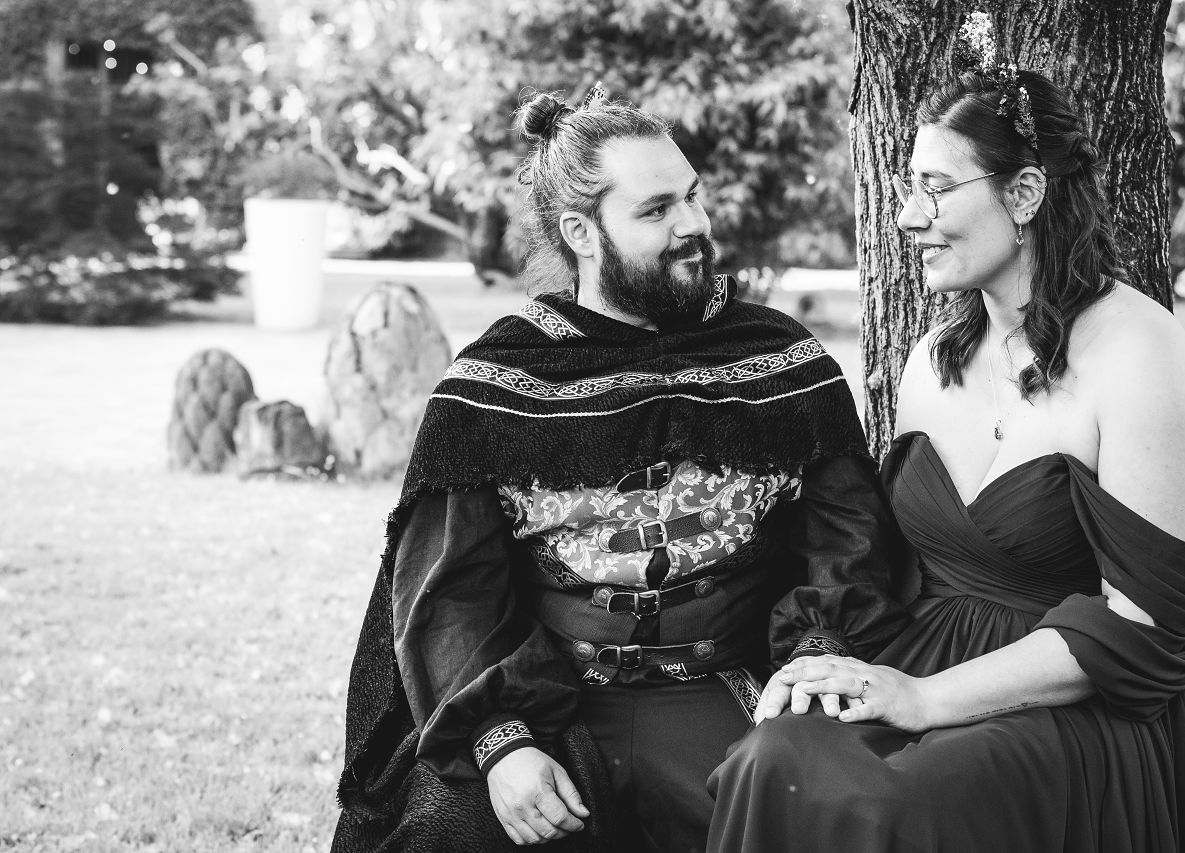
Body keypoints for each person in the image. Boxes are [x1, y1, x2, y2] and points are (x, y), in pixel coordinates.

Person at [706, 54, 1185, 853]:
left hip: (1080, 697)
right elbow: (887, 561)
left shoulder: (1139, 349)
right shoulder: (930, 358)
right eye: (908, 186)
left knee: (906, 804)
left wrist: (925, 698)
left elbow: (1150, 628)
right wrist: (825, 655)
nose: (908, 216)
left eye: (936, 188)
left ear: (1025, 193)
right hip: (919, 660)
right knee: (774, 756)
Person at [330, 86, 909, 853]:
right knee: (448, 836)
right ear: (582, 232)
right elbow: (450, 589)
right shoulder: (495, 382)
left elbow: (849, 539)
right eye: (657, 209)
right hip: (545, 709)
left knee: (821, 819)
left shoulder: (780, 361)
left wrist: (816, 656)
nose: (693, 224)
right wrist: (502, 743)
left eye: (693, 196)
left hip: (729, 694)